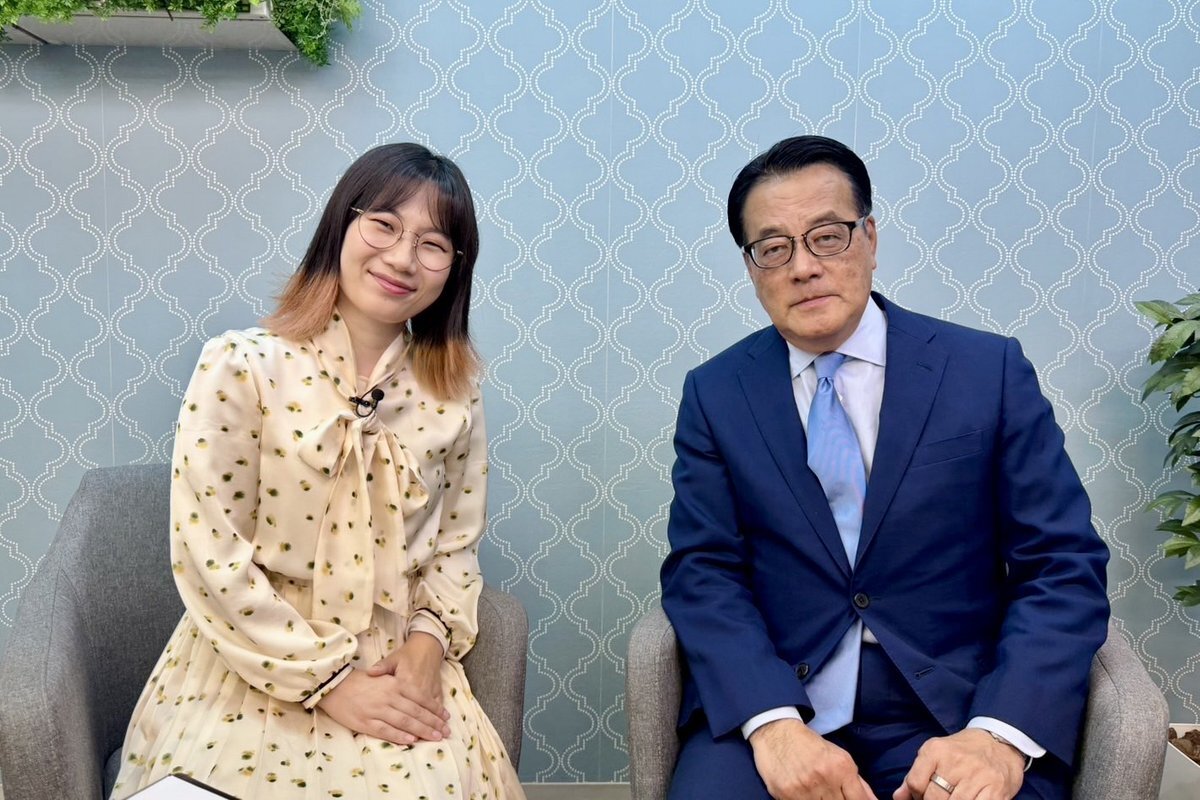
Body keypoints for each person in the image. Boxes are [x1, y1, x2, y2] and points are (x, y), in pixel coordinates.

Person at [659, 135, 1110, 800]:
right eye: (774, 248)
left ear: (869, 238)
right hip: (784, 702)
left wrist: (999, 734)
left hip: (955, 710)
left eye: (827, 237)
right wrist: (772, 724)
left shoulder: (986, 371)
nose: (803, 267)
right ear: (751, 267)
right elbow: (703, 572)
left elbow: (1061, 564)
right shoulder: (717, 393)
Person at [112, 143, 526, 800]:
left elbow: (455, 547)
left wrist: (426, 646)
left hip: (393, 661)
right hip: (251, 654)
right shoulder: (241, 365)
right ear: (342, 225)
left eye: (433, 244)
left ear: (454, 269)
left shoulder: (455, 395)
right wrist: (328, 683)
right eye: (384, 225)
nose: (402, 258)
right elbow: (210, 555)